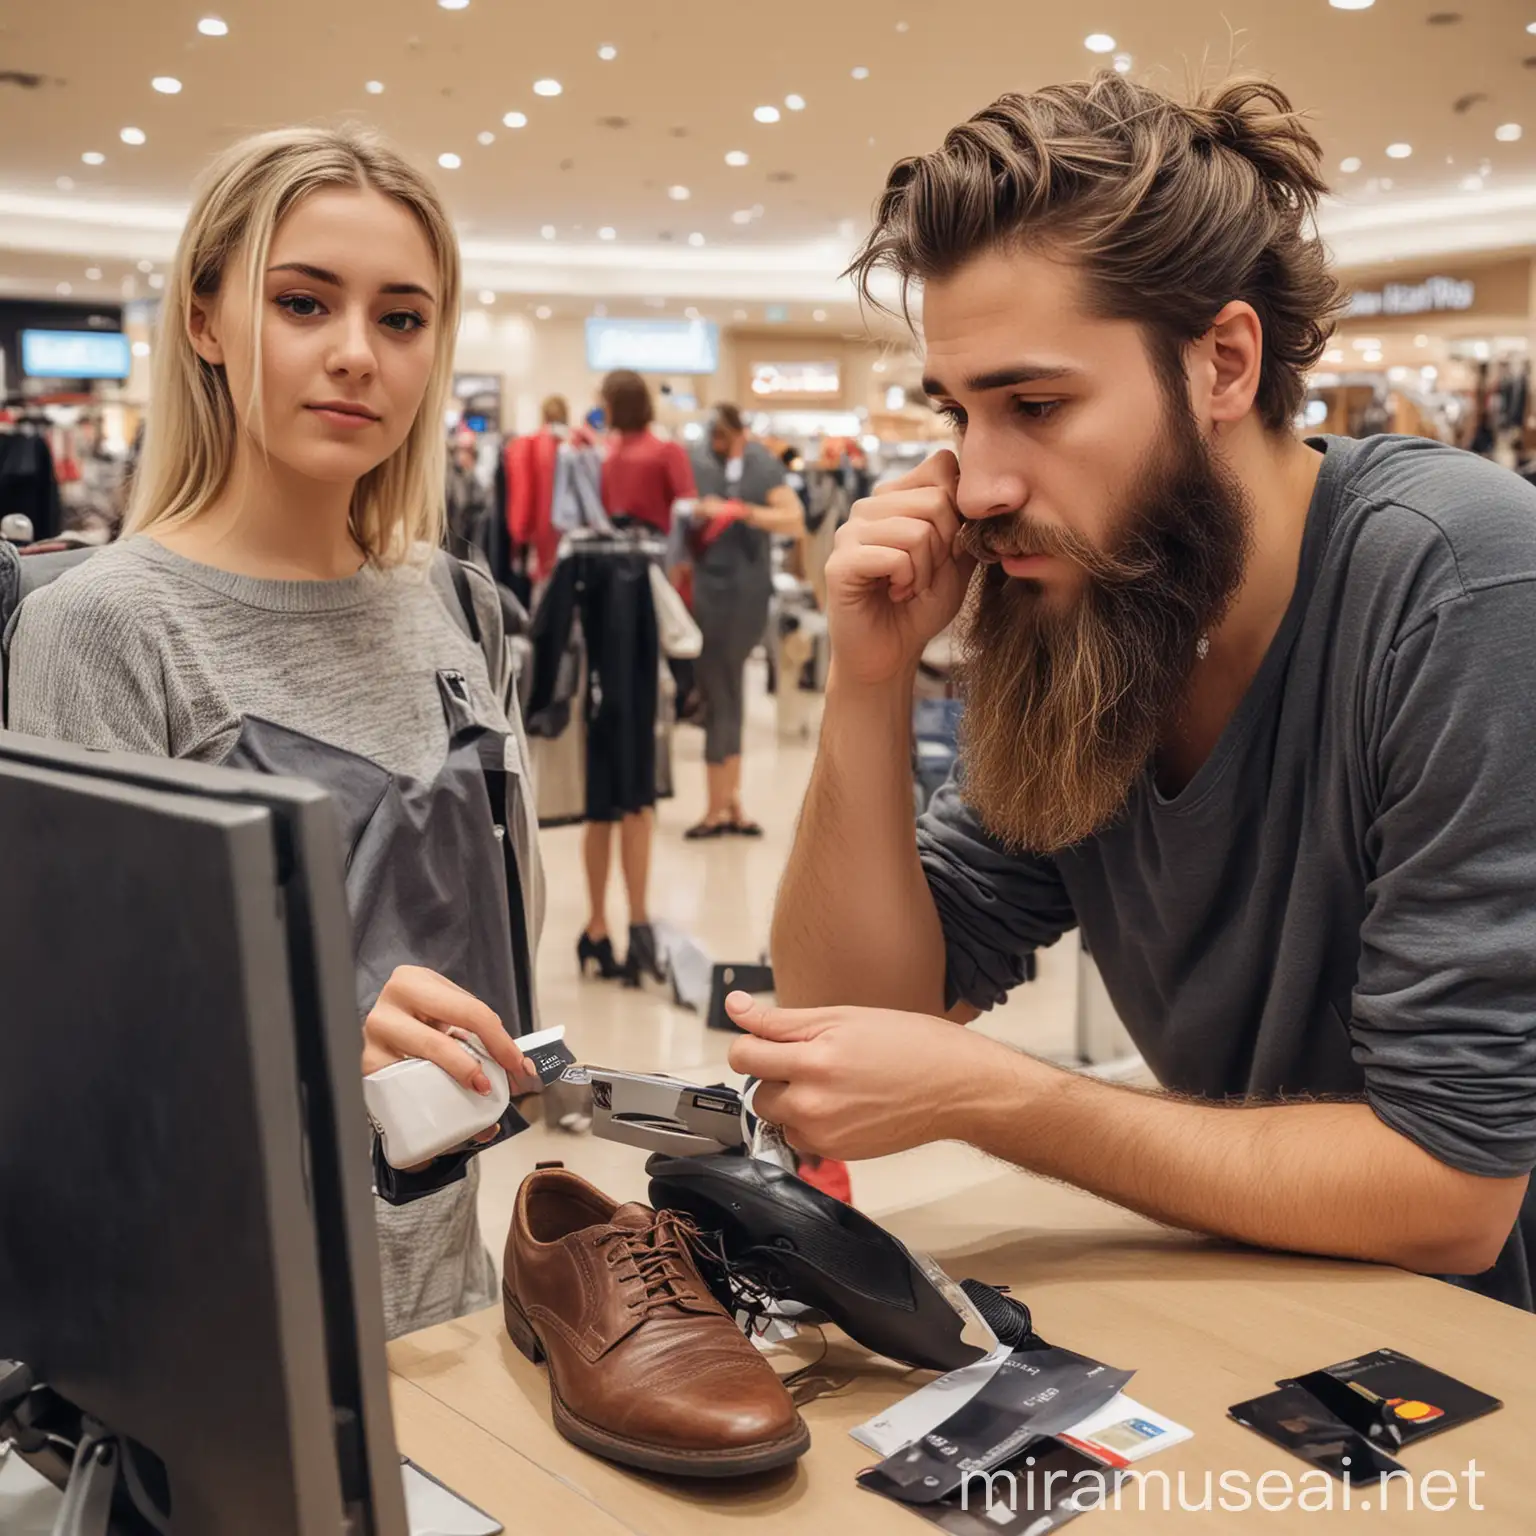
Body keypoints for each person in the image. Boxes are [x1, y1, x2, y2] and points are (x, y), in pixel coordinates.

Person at [740, 73, 1536, 1308]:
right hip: (1279, 1316)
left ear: (1222, 361)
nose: (979, 483)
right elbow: (848, 1015)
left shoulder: (1467, 582)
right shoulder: (1101, 607)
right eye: (958, 411)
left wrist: (995, 1094)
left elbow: (1450, 1190)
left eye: (1037, 405)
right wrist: (870, 681)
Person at [5, 126, 541, 1339]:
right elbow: (80, 1070)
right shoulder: (108, 629)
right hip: (226, 1331)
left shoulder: (461, 607)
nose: (356, 355)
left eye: (401, 320)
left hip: (449, 1290)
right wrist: (309, 1022)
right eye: (303, 302)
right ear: (204, 319)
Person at [572, 369, 696, 984]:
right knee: (638, 782)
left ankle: (597, 924)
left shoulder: (597, 458)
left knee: (601, 783)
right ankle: (640, 924)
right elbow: (685, 523)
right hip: (642, 609)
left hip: (594, 609)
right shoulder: (665, 452)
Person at [685, 403, 804, 838]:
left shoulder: (761, 464)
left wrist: (742, 512)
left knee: (724, 691)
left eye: (723, 437)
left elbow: (795, 521)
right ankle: (726, 802)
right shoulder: (697, 460)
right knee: (722, 693)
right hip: (705, 591)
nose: (717, 445)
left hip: (745, 595)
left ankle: (721, 805)